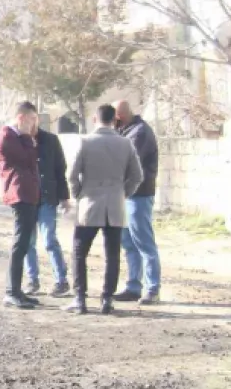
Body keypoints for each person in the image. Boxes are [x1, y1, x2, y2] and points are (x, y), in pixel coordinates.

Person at [64, 104, 143, 315]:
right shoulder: (125, 144)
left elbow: (72, 175)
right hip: (115, 204)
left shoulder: (85, 142)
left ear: (94, 119)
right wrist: (123, 193)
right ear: (114, 120)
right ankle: (107, 299)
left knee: (80, 253)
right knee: (112, 255)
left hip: (89, 203)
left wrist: (79, 193)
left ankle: (80, 299)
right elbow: (137, 176)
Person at [113, 100, 162, 305]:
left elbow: (126, 162)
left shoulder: (139, 133)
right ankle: (133, 286)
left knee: (144, 243)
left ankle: (153, 288)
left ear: (119, 117)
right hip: (125, 196)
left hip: (139, 195)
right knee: (129, 243)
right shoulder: (126, 130)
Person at [0, 101, 42, 310]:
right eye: (31, 119)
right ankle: (11, 292)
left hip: (29, 194)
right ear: (21, 118)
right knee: (20, 243)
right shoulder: (9, 136)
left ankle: (17, 290)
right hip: (19, 193)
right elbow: (27, 159)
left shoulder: (21, 138)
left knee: (25, 244)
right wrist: (27, 137)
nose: (34, 124)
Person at [24, 126, 72, 298]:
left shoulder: (50, 140)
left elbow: (60, 169)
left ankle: (61, 280)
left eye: (33, 119)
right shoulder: (18, 140)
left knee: (49, 239)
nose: (30, 124)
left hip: (47, 197)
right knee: (28, 241)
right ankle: (32, 280)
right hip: (26, 199)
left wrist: (64, 197)